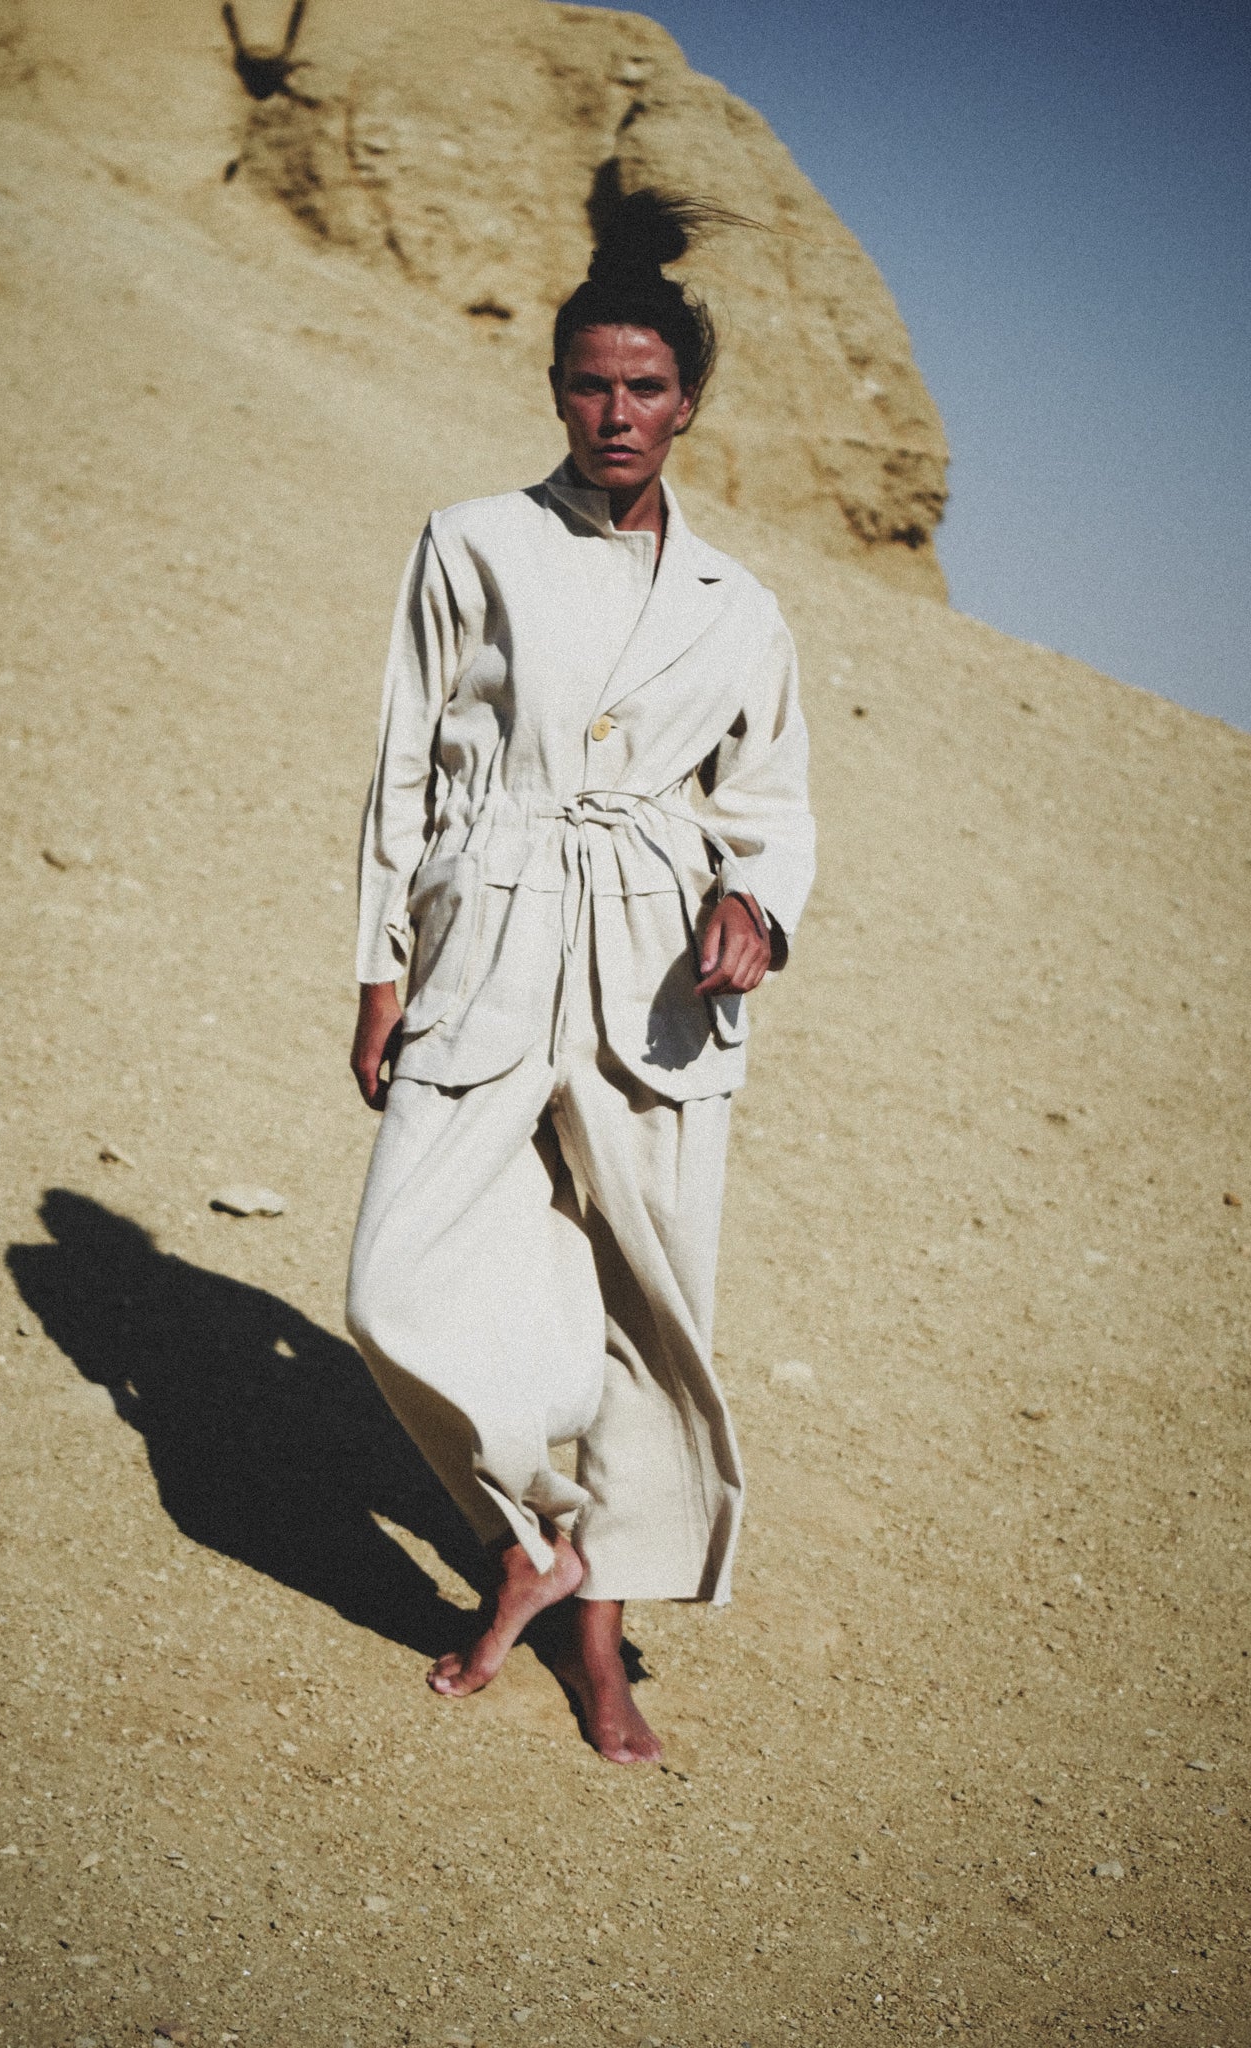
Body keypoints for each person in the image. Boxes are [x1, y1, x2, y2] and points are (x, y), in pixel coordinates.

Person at [345, 188, 815, 1764]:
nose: (616, 414)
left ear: (689, 403)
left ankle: (595, 1641)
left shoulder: (740, 608)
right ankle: (540, 1537)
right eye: (588, 384)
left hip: (657, 981)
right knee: (389, 1285)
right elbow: (407, 760)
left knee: (642, 1304)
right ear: (555, 389)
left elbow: (771, 806)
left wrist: (756, 902)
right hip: (485, 939)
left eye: (646, 389)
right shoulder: (470, 541)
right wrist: (378, 968)